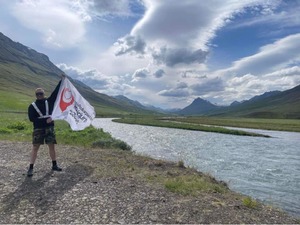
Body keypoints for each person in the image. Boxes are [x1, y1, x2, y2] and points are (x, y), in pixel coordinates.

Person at [27, 74, 65, 177]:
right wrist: (45, 121)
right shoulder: (32, 106)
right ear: (36, 95)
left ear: (44, 93)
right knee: (35, 147)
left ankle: (54, 165)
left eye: (41, 93)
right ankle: (30, 168)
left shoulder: (50, 101)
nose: (40, 95)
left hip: (49, 128)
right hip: (38, 129)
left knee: (51, 146)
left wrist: (62, 81)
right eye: (38, 94)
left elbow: (56, 92)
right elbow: (31, 119)